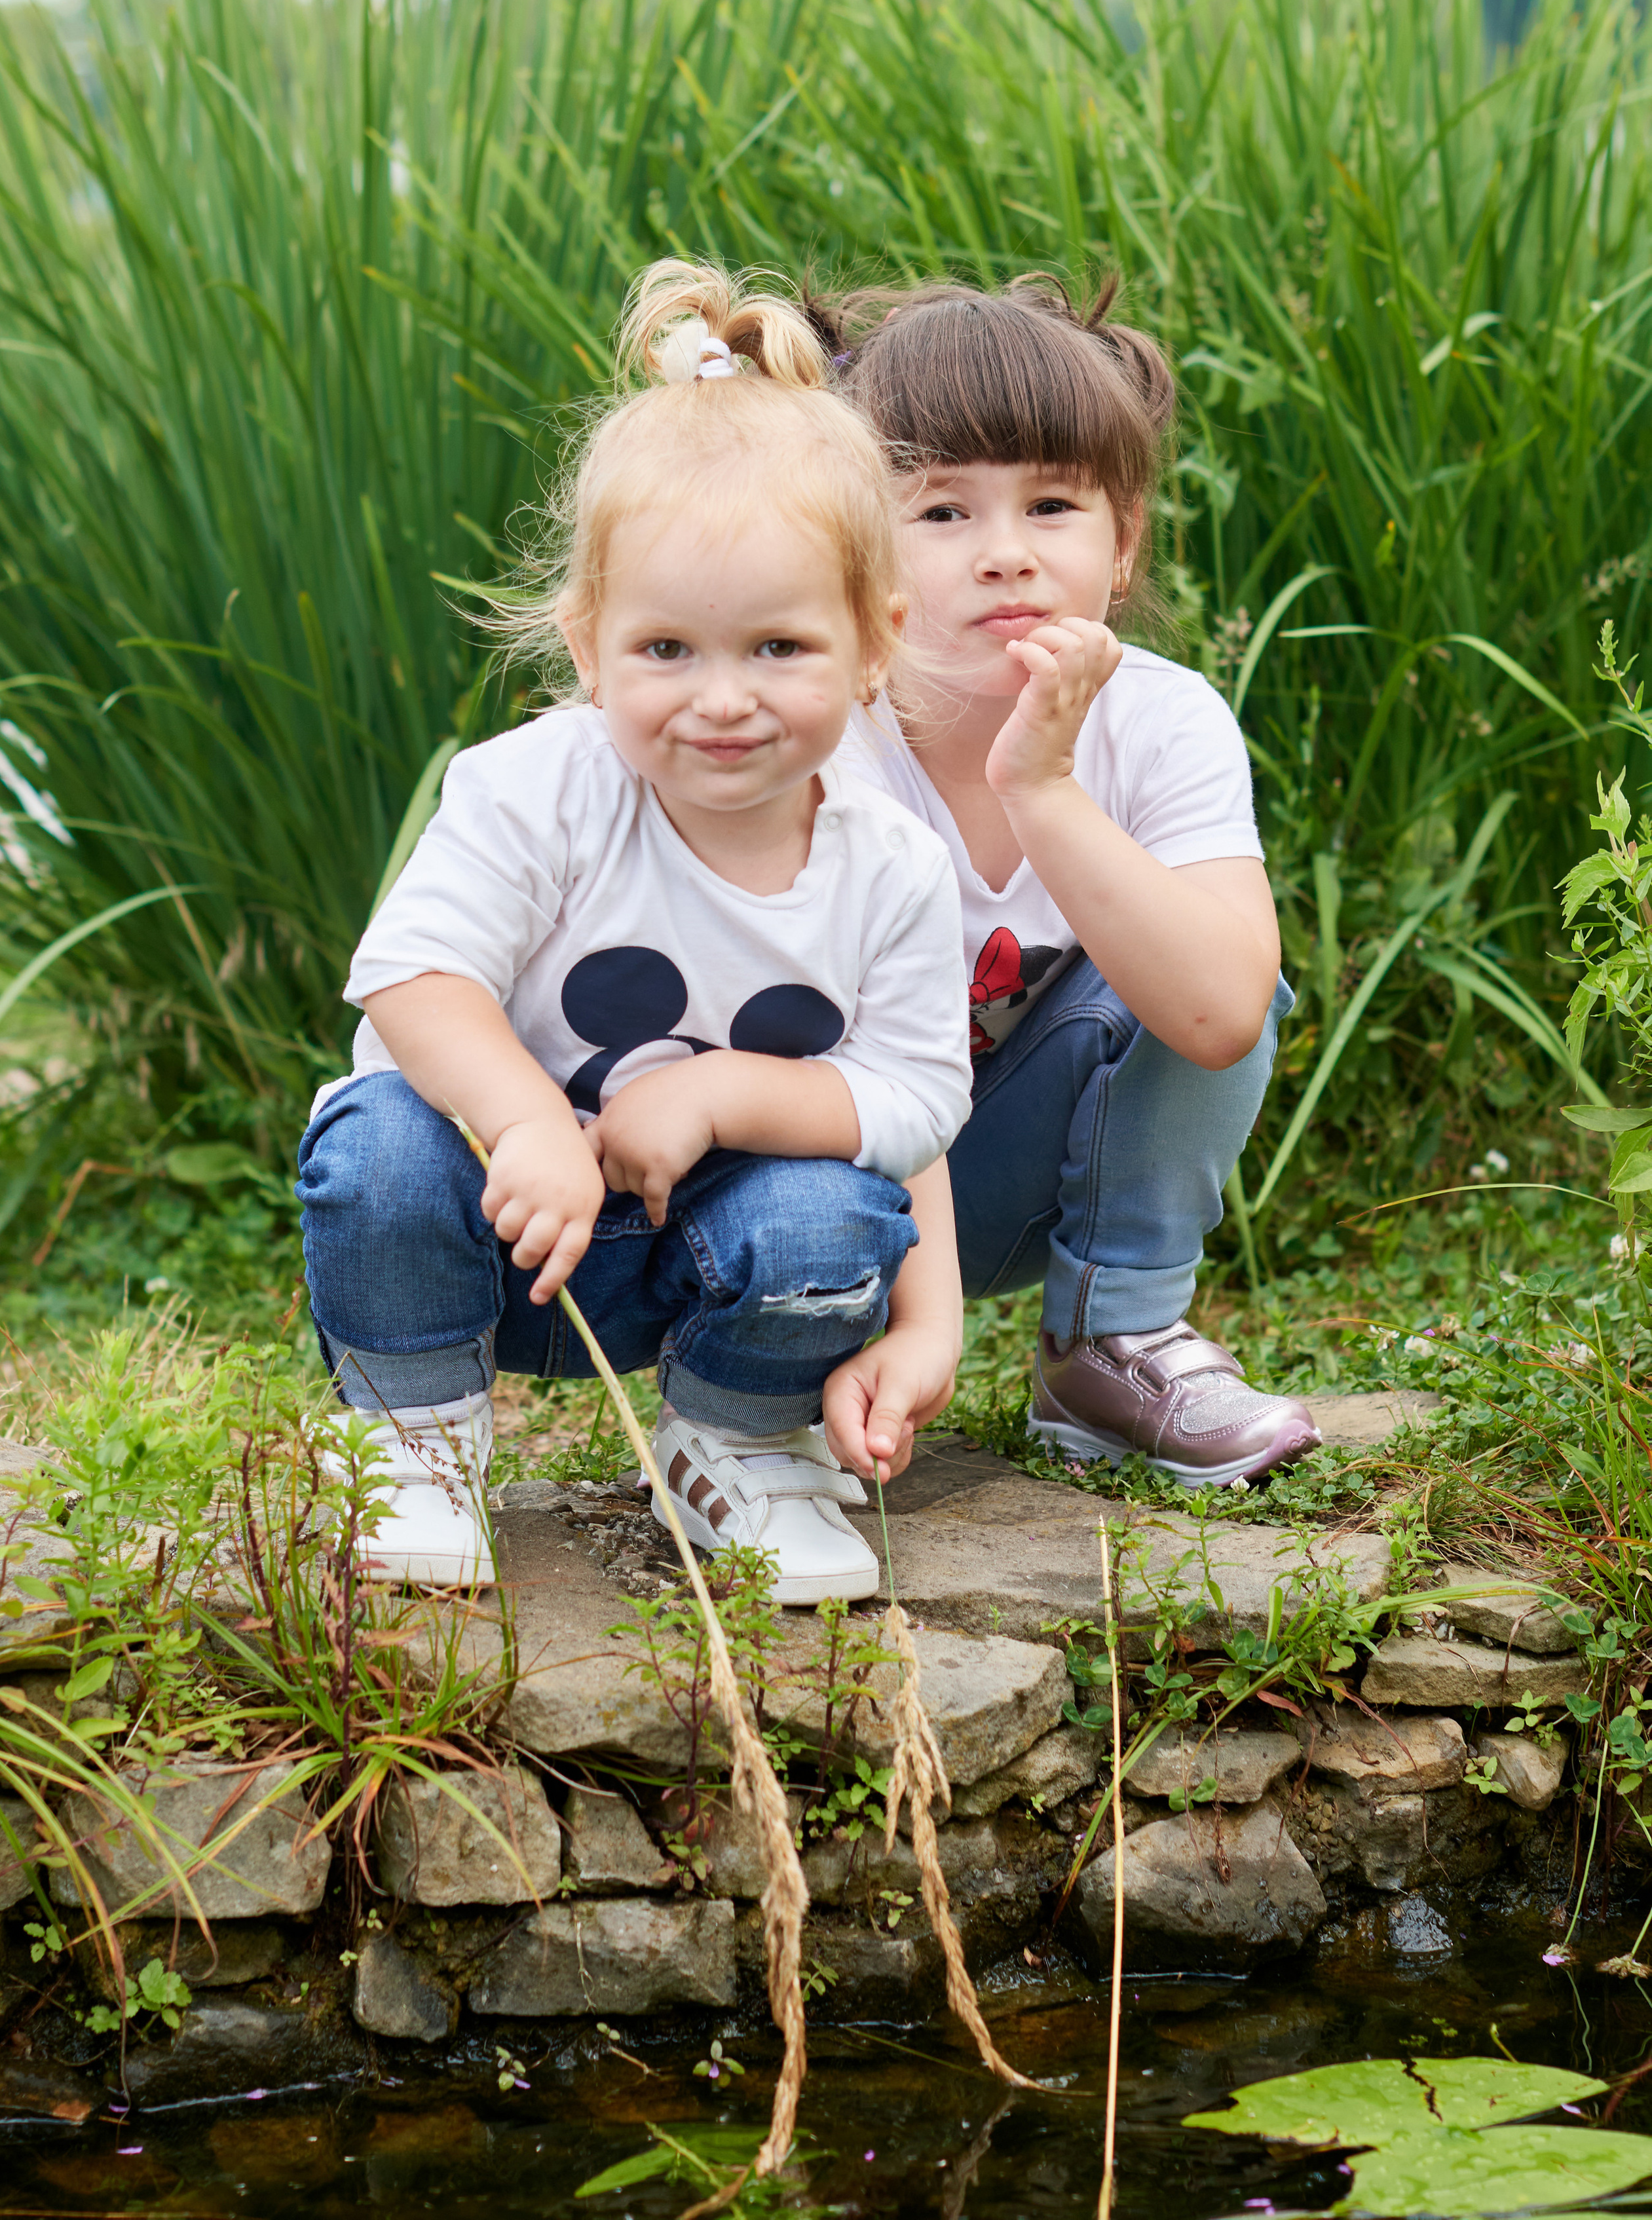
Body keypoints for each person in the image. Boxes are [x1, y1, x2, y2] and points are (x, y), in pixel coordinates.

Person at [295, 262, 971, 1597]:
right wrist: (532, 1122)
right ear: (589, 644)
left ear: (874, 644)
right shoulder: (540, 786)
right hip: (483, 1224)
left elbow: (918, 1097)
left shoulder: (889, 862)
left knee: (834, 1216)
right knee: (373, 1146)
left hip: (692, 1256)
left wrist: (722, 1093)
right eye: (667, 651)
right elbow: (409, 978)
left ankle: (733, 1444)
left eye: (778, 648)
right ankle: (413, 1438)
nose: (721, 700)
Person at [805, 271, 1321, 1490]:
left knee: (1196, 954)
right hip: (831, 1186)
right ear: (850, 548)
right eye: (941, 514)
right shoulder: (814, 733)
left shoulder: (1160, 720)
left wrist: (1045, 788)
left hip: (1008, 1178)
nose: (1005, 558)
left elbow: (1218, 1011)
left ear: (1125, 544)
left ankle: (1110, 1337)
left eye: (1051, 506)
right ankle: (780, 1358)